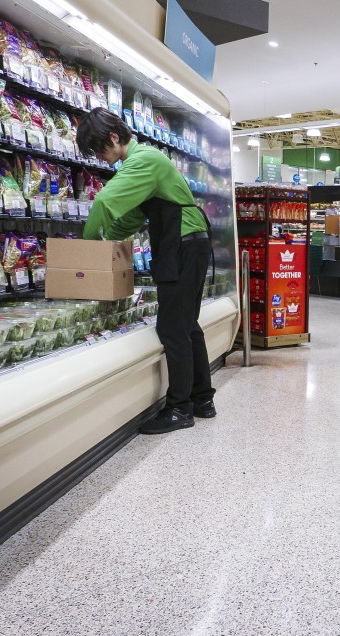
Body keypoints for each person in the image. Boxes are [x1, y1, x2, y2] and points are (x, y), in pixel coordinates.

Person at [77, 108, 215, 435]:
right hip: (188, 243)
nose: (100, 157)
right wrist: (107, 239)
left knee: (172, 328)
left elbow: (104, 204)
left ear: (114, 137)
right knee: (187, 325)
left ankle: (180, 408)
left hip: (181, 244)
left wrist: (86, 251)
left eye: (99, 149)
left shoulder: (144, 160)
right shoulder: (143, 163)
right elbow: (133, 218)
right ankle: (202, 399)